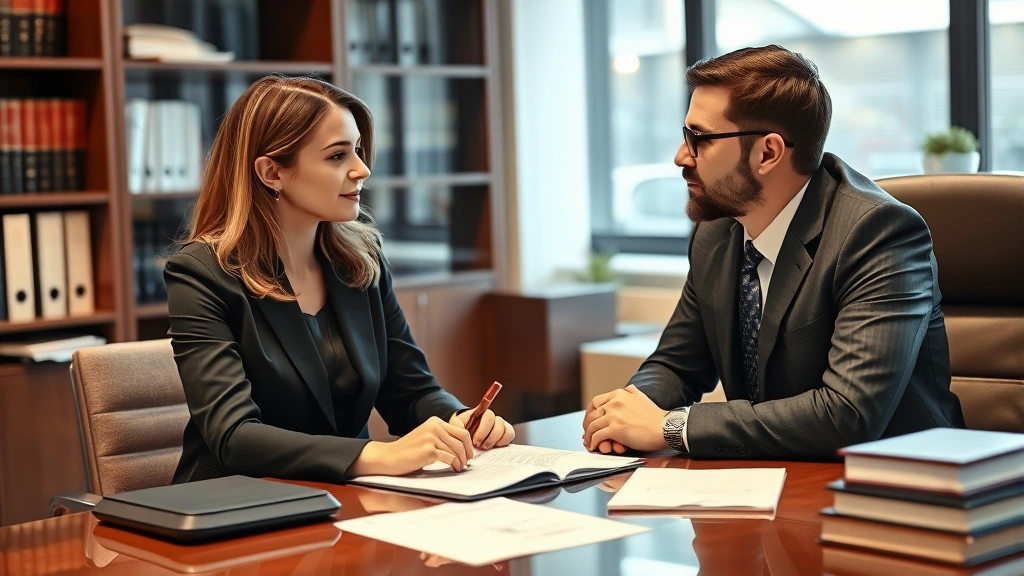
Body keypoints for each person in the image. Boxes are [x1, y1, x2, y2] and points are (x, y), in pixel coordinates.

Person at [583, 45, 964, 460]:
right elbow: (677, 364)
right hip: (768, 480)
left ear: (768, 152)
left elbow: (848, 414)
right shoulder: (716, 230)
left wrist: (672, 427)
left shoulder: (878, 234)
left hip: (899, 490)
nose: (681, 156)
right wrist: (625, 412)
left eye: (700, 140)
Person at [166, 75, 514, 484]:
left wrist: (459, 418)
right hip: (236, 508)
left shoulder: (360, 261)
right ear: (271, 172)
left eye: (359, 151)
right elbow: (234, 436)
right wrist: (378, 455)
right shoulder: (202, 274)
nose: (362, 169)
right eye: (337, 156)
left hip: (343, 500)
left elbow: (411, 392)